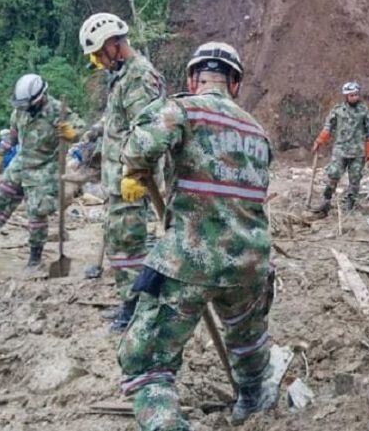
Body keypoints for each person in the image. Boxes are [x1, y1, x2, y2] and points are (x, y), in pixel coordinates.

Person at [117, 42, 277, 429]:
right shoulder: (258, 133)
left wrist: (134, 170)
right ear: (235, 84)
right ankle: (253, 399)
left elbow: (140, 146)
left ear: (193, 78)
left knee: (148, 365)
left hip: (190, 259)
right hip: (250, 262)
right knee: (247, 341)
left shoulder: (182, 108)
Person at [80, 12, 166, 332]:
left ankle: (136, 308)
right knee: (120, 243)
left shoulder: (139, 77)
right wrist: (90, 136)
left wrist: (135, 172)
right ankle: (130, 303)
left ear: (115, 45)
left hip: (133, 180)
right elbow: (117, 120)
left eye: (99, 55)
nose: (98, 62)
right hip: (119, 179)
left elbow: (147, 130)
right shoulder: (121, 75)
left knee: (130, 246)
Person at [0, 74, 81, 271]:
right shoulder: (20, 110)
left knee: (37, 213)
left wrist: (73, 132)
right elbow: (13, 133)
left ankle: (35, 259)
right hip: (20, 163)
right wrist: (0, 152)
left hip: (45, 167)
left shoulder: (58, 111)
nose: (24, 109)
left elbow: (82, 129)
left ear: (41, 98)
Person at [310, 82, 369, 215]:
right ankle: (326, 201)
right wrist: (319, 140)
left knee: (355, 178)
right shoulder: (338, 110)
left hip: (358, 152)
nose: (354, 98)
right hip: (341, 149)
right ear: (346, 96)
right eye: (351, 95)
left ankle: (350, 204)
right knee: (334, 174)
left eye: (356, 95)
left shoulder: (363, 110)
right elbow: (328, 127)